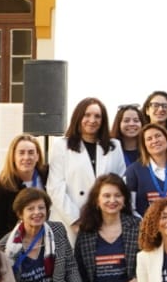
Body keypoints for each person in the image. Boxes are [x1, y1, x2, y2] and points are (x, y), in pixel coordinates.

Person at [48, 97, 126, 228]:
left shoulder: (114, 146)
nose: (92, 120)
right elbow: (55, 187)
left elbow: (121, 183)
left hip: (105, 220)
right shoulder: (61, 146)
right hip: (69, 221)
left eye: (97, 116)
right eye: (87, 115)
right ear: (78, 117)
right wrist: (75, 220)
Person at [0, 134, 48, 239]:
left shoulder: (48, 176)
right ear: (13, 157)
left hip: (47, 237)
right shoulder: (2, 187)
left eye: (31, 152)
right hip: (17, 242)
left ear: (37, 156)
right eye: (21, 153)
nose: (26, 157)